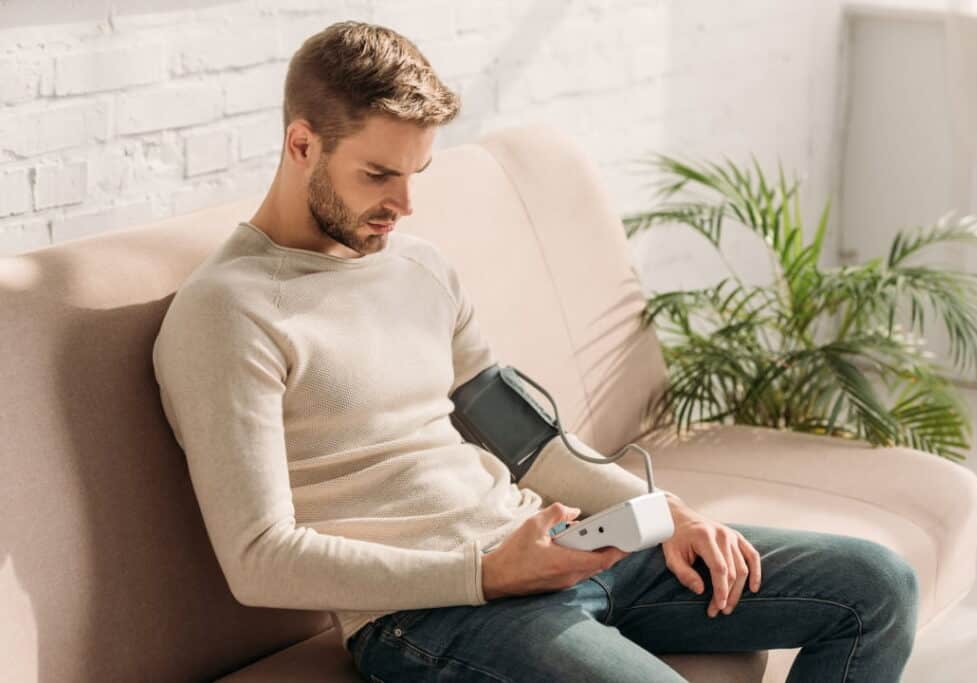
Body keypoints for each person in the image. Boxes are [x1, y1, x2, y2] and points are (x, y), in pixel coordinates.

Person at [151, 21, 919, 683]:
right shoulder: (230, 311)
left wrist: (665, 513)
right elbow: (258, 557)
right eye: (378, 174)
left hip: (559, 548)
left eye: (417, 173)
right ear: (300, 144)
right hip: (432, 613)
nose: (405, 205)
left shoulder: (421, 268)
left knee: (877, 585)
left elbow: (527, 443)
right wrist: (486, 573)